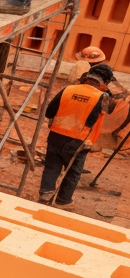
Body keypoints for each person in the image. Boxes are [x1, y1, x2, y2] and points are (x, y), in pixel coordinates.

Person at [38, 62, 117, 205]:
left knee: (52, 166)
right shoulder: (103, 96)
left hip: (56, 134)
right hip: (79, 140)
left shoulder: (67, 89)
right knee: (73, 172)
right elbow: (111, 108)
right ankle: (63, 201)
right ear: (104, 82)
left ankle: (45, 195)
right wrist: (108, 90)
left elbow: (49, 112)